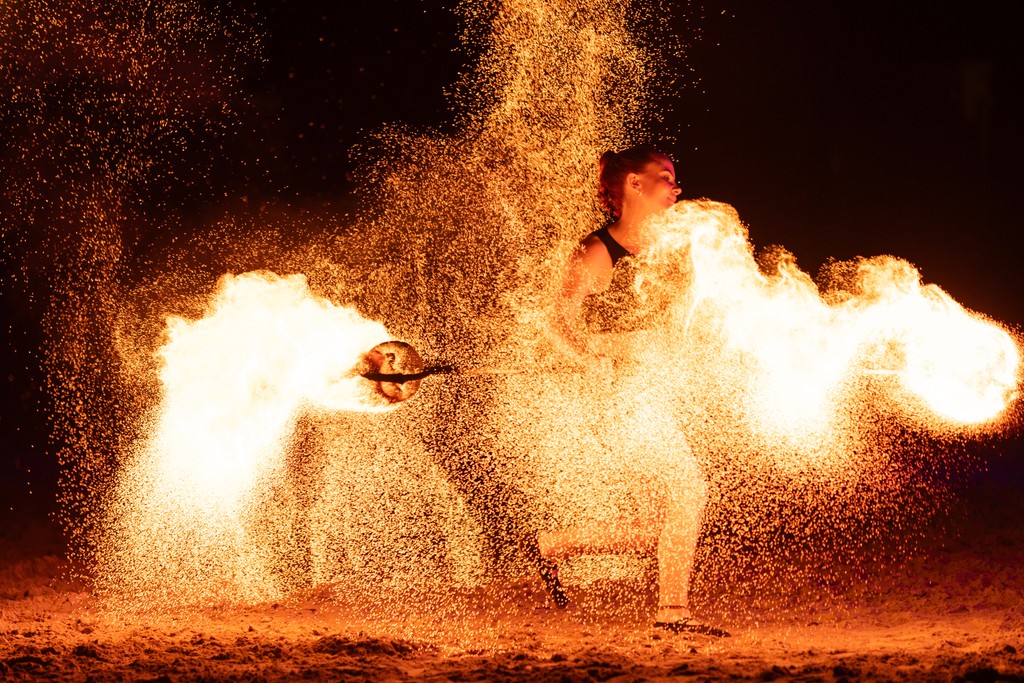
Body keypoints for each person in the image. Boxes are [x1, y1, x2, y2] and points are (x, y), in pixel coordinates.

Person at [538, 145, 727, 637]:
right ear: (634, 185)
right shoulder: (599, 251)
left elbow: (678, 324)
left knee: (663, 526)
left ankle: (554, 545)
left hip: (651, 390)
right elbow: (555, 321)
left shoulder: (668, 253)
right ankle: (673, 613)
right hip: (614, 398)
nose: (676, 187)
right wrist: (596, 356)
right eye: (665, 176)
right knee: (689, 489)